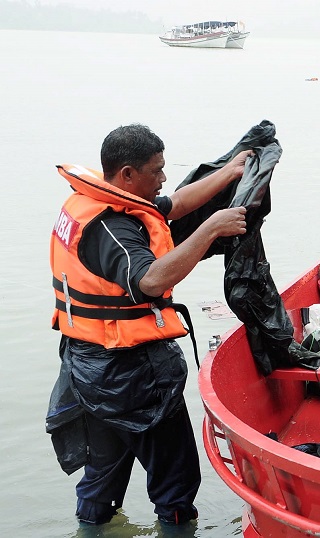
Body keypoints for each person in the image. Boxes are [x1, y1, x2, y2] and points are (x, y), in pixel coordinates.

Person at [49, 124, 251, 526]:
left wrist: (228, 172)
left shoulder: (92, 203)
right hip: (132, 377)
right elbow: (151, 281)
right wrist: (210, 229)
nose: (163, 178)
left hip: (87, 368)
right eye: (156, 170)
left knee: (101, 477)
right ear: (127, 173)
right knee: (175, 481)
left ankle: (91, 527)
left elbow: (170, 205)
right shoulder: (113, 230)